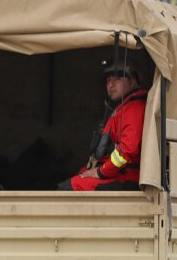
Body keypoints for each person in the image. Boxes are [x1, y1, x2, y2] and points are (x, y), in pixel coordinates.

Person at [63, 52, 148, 191]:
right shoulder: (121, 108)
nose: (111, 84)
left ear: (133, 81)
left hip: (127, 177)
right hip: (116, 174)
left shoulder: (134, 108)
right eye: (108, 80)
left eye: (118, 78)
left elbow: (127, 150)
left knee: (68, 189)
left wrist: (100, 172)